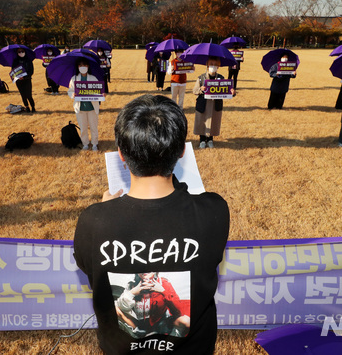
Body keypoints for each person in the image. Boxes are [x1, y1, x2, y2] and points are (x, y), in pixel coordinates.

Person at [73, 94, 229, 354]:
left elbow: (87, 267)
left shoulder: (94, 221)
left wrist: (103, 210)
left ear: (121, 154)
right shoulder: (214, 211)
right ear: (181, 151)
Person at [114, 272, 190, 338]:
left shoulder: (164, 283)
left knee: (186, 321)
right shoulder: (132, 286)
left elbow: (179, 312)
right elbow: (121, 307)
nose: (145, 270)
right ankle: (141, 336)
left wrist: (163, 291)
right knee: (114, 308)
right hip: (140, 327)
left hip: (161, 325)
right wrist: (132, 292)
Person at [193, 57, 235, 148]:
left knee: (213, 121)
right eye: (211, 64)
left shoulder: (221, 78)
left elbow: (227, 91)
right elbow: (194, 90)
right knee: (202, 121)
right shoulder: (201, 78)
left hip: (215, 104)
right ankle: (202, 140)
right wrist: (201, 89)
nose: (213, 66)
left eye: (215, 65)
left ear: (218, 66)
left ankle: (210, 139)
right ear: (207, 65)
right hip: (203, 103)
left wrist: (232, 92)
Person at [67, 58, 100, 151]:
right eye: (80, 65)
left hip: (92, 108)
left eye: (84, 65)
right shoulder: (74, 79)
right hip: (80, 108)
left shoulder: (93, 78)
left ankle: (94, 144)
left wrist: (102, 94)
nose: (83, 67)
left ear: (88, 66)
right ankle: (85, 143)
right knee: (83, 128)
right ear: (78, 67)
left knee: (94, 127)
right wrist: (72, 94)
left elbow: (98, 91)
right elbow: (70, 91)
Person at [12, 47, 35, 112]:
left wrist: (24, 77)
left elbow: (31, 71)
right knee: (23, 94)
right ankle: (27, 107)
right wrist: (18, 77)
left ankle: (33, 106)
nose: (21, 53)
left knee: (29, 95)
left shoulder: (28, 60)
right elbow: (13, 71)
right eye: (19, 52)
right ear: (17, 53)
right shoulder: (15, 61)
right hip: (19, 81)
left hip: (27, 80)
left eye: (22, 51)